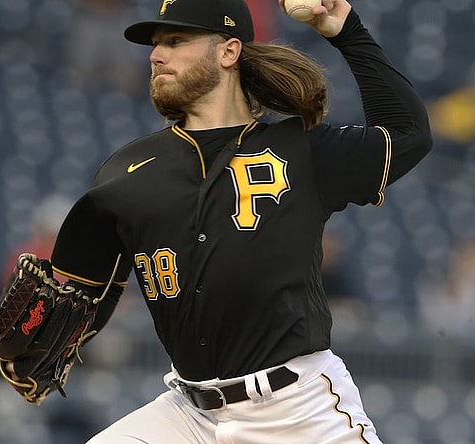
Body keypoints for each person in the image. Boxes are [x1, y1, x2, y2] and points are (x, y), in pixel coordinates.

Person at [45, 0, 431, 442]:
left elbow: (409, 134)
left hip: (297, 410)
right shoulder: (127, 170)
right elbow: (83, 293)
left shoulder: (303, 150)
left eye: (175, 41)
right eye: (155, 45)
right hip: (187, 414)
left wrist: (346, 31)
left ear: (229, 52)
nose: (156, 55)